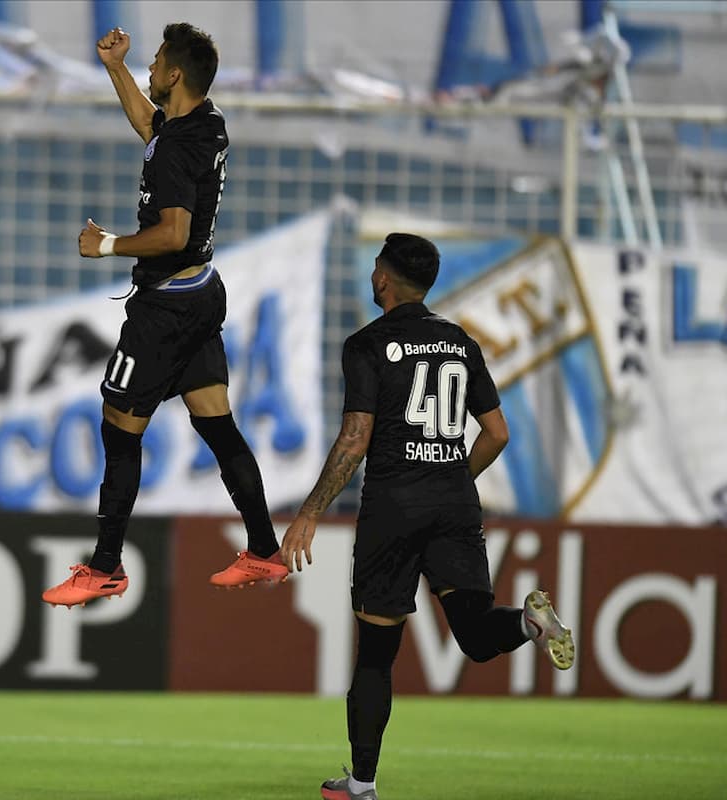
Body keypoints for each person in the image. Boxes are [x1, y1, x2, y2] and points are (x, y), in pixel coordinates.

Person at [278, 233, 575, 800]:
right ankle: (528, 624)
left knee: (377, 654)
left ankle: (360, 786)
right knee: (475, 633)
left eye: (374, 269)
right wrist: (454, 482)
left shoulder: (367, 344)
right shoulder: (461, 342)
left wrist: (310, 513)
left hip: (393, 508)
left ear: (384, 280)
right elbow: (497, 433)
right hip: (454, 502)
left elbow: (355, 437)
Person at [42, 23, 288, 608]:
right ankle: (264, 550)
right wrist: (116, 68)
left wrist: (106, 245)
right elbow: (150, 127)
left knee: (119, 425)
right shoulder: (205, 124)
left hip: (166, 309)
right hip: (202, 293)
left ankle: (105, 568)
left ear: (175, 75)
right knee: (216, 423)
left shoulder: (178, 144)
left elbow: (173, 232)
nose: (149, 72)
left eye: (154, 64)